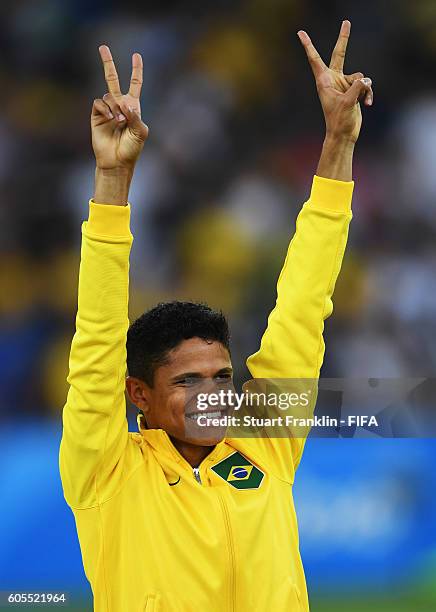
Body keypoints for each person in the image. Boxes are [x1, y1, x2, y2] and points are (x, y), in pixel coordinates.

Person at [59, 19, 373, 612]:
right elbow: (97, 337)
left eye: (221, 378)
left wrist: (338, 145)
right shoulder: (106, 473)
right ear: (138, 394)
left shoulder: (264, 446)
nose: (213, 397)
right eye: (186, 381)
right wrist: (112, 181)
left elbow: (304, 310)